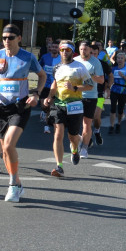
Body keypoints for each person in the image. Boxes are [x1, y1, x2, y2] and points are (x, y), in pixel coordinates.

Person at [0, 24, 45, 202]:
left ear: (18, 39)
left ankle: (12, 185)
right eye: (4, 38)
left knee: (8, 145)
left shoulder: (28, 57)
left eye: (10, 38)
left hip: (20, 107)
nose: (6, 41)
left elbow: (42, 76)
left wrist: (36, 94)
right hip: (0, 107)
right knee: (6, 150)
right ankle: (17, 183)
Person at [47, 40, 94, 178]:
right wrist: (49, 96)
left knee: (73, 136)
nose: (64, 52)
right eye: (62, 50)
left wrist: (74, 88)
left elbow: (90, 85)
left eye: (67, 50)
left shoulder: (80, 67)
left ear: (72, 52)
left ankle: (74, 150)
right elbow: (54, 85)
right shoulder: (56, 67)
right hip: (59, 105)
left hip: (75, 105)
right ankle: (59, 166)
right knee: (58, 134)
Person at [73, 40, 104, 158]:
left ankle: (84, 148)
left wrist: (89, 75)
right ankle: (81, 139)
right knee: (73, 123)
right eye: (81, 49)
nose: (83, 51)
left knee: (86, 124)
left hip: (90, 97)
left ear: (90, 50)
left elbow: (101, 80)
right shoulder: (75, 61)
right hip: (76, 96)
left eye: (85, 49)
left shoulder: (95, 62)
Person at [108, 50, 126, 135]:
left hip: (123, 90)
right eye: (118, 58)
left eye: (122, 58)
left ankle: (119, 123)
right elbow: (110, 79)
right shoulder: (113, 69)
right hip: (114, 89)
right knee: (113, 108)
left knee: (120, 110)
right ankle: (111, 126)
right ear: (116, 59)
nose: (120, 59)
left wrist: (123, 76)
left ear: (124, 59)